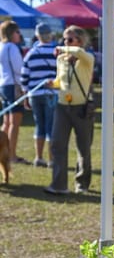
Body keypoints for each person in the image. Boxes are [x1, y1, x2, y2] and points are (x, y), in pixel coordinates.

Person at [44, 25, 95, 196]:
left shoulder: (86, 58)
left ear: (80, 41)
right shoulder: (61, 60)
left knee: (84, 147)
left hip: (82, 108)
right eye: (64, 39)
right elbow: (60, 81)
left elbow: (79, 53)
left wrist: (62, 48)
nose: (66, 42)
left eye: (70, 39)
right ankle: (59, 185)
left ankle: (82, 184)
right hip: (62, 106)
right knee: (57, 144)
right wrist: (54, 84)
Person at [21, 22, 58, 167]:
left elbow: (24, 77)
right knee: (51, 126)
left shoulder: (31, 53)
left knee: (39, 125)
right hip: (52, 93)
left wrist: (25, 95)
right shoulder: (56, 52)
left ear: (37, 36)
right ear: (50, 35)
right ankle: (52, 159)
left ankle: (38, 157)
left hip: (35, 93)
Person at [0, 20, 26, 164]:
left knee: (6, 122)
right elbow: (19, 68)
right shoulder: (12, 47)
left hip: (3, 85)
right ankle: (11, 155)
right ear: (11, 33)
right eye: (17, 32)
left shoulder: (2, 46)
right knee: (15, 123)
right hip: (14, 85)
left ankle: (4, 151)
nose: (19, 35)